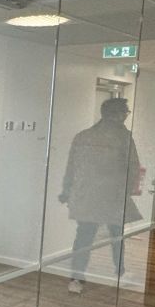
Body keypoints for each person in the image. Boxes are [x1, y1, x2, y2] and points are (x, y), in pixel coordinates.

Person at [60, 96, 142, 294]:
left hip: (86, 196)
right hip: (113, 196)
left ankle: (76, 279)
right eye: (125, 112)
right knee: (117, 236)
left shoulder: (83, 136)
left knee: (84, 237)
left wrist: (67, 191)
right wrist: (127, 191)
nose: (126, 115)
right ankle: (120, 273)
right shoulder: (124, 138)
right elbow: (133, 168)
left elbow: (71, 168)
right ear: (118, 115)